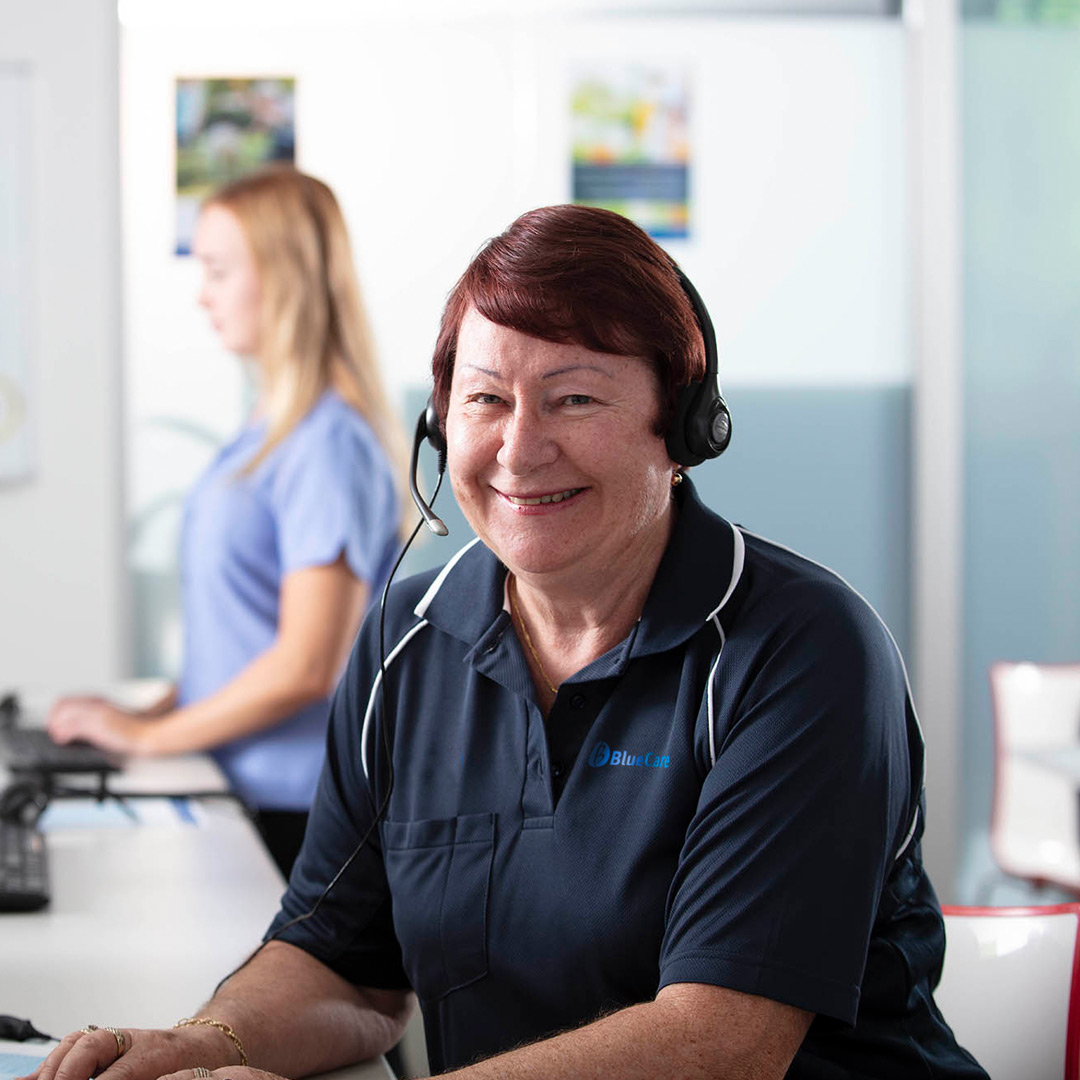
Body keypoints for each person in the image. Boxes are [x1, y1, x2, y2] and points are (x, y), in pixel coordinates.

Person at [28, 205, 986, 1080]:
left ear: (683, 426)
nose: (520, 450)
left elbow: (719, 1043)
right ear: (442, 427)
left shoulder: (804, 652)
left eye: (575, 400)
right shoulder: (406, 642)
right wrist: (205, 1043)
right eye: (486, 400)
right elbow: (340, 965)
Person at [46, 167, 404, 877]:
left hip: (295, 817)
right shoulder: (270, 432)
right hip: (240, 795)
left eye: (216, 269)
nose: (202, 294)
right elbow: (242, 634)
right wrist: (151, 715)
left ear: (283, 277)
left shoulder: (326, 443)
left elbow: (307, 664)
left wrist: (151, 740)